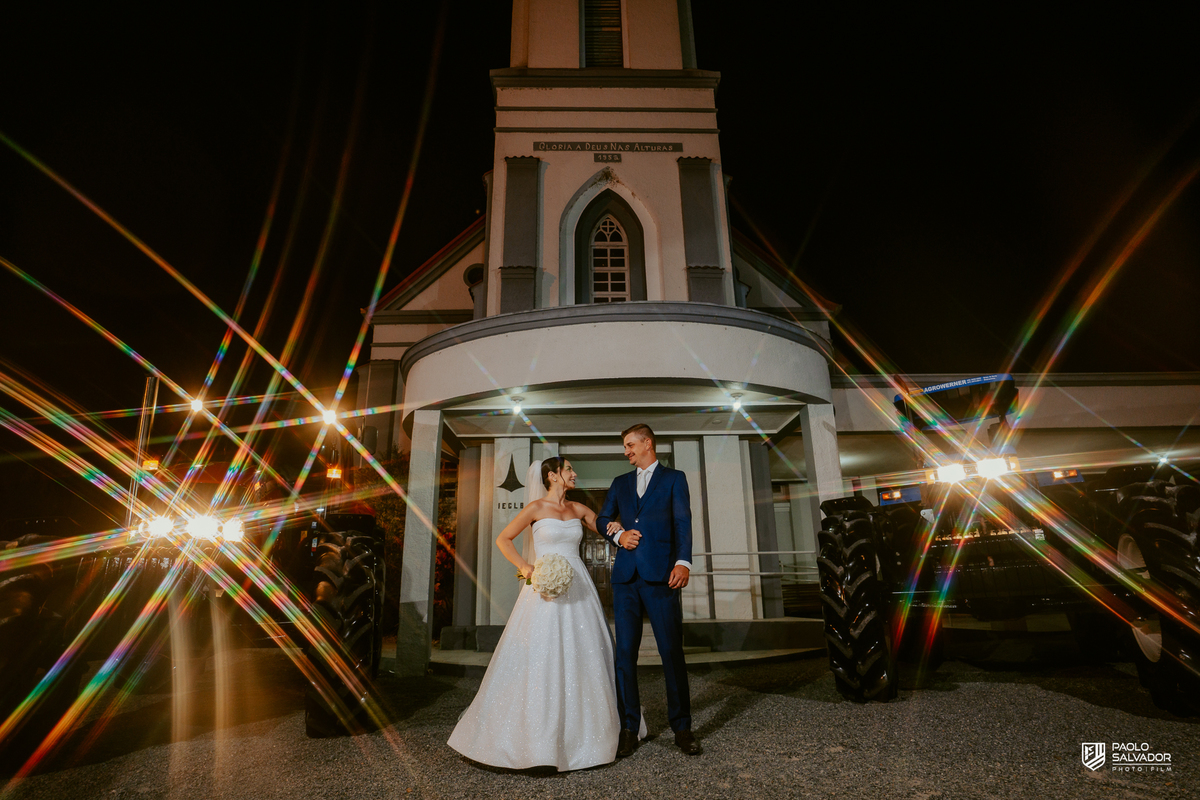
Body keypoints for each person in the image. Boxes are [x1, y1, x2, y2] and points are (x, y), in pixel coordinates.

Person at [448, 456, 639, 771]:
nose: (574, 473)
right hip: (544, 588)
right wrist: (525, 566)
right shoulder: (535, 508)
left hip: (578, 585)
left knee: (585, 652)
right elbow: (503, 539)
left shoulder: (578, 509)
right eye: (569, 469)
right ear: (552, 475)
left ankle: (590, 736)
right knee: (541, 653)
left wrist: (616, 528)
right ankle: (534, 741)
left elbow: (603, 526)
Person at [596, 423, 700, 756]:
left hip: (662, 577)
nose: (626, 451)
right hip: (626, 579)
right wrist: (618, 535)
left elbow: (683, 522)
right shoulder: (620, 483)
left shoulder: (674, 479)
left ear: (647, 443)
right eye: (625, 446)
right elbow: (601, 519)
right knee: (625, 655)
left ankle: (682, 728)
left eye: (630, 445)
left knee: (671, 652)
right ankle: (629, 727)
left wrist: (683, 562)